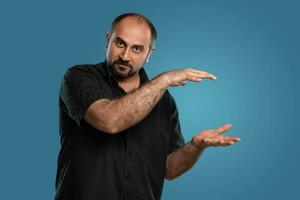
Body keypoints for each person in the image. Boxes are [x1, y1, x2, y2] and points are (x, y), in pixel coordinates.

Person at [55, 13, 241, 200]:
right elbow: (109, 120)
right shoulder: (78, 77)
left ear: (149, 54)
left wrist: (195, 146)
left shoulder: (164, 102)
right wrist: (165, 79)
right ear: (107, 41)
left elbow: (169, 169)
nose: (125, 56)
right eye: (120, 43)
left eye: (136, 49)